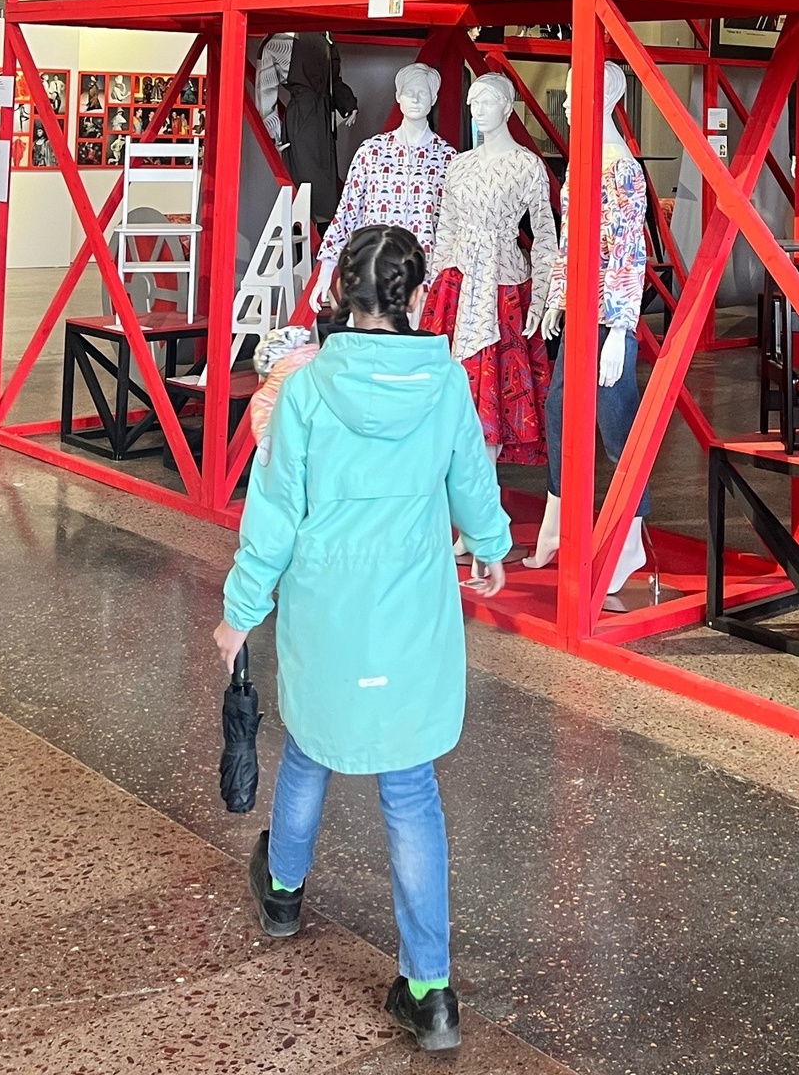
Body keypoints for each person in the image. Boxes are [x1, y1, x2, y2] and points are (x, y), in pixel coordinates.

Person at [213, 225, 510, 1053]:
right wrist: (490, 545)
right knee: (409, 787)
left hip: (327, 608)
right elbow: (471, 478)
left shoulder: (307, 391)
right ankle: (431, 992)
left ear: (341, 291)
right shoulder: (445, 384)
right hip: (411, 611)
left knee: (311, 749)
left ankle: (282, 893)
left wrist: (240, 611)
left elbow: (274, 516)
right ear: (415, 296)